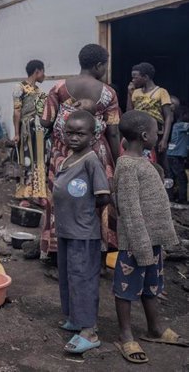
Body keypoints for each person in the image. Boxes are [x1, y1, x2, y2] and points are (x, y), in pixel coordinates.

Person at [113, 110, 184, 364]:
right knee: (126, 288)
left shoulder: (142, 162)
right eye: (157, 132)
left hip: (150, 240)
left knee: (152, 286)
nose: (159, 135)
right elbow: (130, 211)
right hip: (135, 243)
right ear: (145, 136)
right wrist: (141, 247)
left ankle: (154, 328)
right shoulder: (128, 165)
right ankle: (125, 334)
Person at [40, 44, 121, 259]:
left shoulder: (58, 88)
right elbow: (113, 132)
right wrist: (117, 161)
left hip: (63, 154)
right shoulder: (108, 93)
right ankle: (99, 252)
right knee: (97, 198)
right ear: (99, 65)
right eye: (105, 65)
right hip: (97, 154)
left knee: (61, 198)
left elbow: (45, 121)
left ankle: (57, 253)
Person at [52, 110, 111, 354]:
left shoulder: (91, 160)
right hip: (67, 231)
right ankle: (75, 318)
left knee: (83, 279)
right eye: (70, 133)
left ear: (93, 136)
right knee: (69, 276)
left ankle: (89, 330)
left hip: (83, 233)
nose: (74, 137)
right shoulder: (67, 158)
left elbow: (103, 195)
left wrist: (84, 211)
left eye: (80, 133)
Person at [127, 62, 173, 181]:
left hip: (156, 134)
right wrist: (129, 93)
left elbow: (168, 117)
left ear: (145, 77)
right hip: (138, 133)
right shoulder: (136, 92)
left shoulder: (161, 92)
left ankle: (166, 193)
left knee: (161, 163)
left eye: (135, 77)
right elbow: (129, 113)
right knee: (142, 161)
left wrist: (164, 139)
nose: (132, 80)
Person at [13, 59, 48, 207]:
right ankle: (25, 195)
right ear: (37, 71)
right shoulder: (19, 87)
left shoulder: (39, 92)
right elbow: (16, 112)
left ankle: (39, 194)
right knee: (27, 160)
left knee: (40, 160)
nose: (44, 75)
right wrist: (16, 133)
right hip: (27, 129)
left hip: (39, 130)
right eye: (43, 72)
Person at [166, 107, 189, 205]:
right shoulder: (181, 125)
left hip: (172, 155)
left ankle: (170, 197)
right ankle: (182, 199)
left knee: (172, 177)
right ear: (182, 115)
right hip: (176, 156)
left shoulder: (177, 125)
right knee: (182, 178)